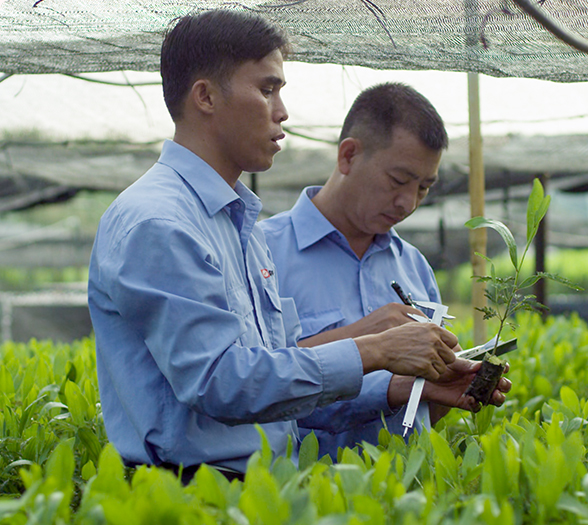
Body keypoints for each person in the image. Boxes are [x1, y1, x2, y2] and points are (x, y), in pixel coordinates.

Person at [87, 11, 465, 481]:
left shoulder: (238, 226)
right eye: (267, 89)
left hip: (265, 484)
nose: (282, 111)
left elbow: (277, 369)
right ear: (205, 96)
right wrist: (376, 348)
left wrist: (406, 381)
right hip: (191, 491)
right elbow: (220, 383)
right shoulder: (160, 222)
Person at [261, 83, 511, 459]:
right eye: (397, 181)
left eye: (424, 188)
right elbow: (249, 385)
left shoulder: (414, 267)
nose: (407, 202)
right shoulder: (262, 253)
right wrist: (370, 351)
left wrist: (444, 385)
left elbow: (425, 415)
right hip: (300, 501)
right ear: (348, 155)